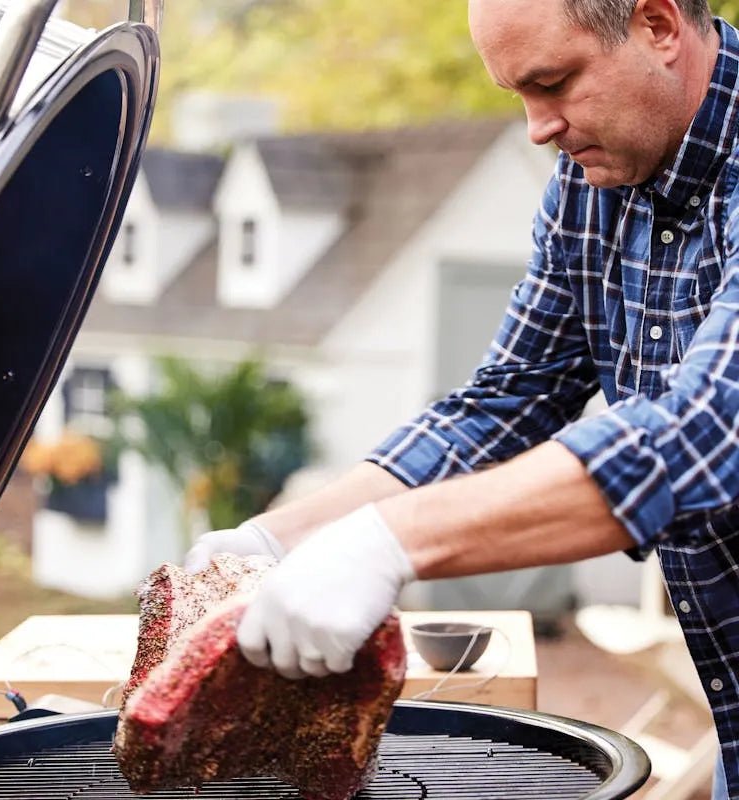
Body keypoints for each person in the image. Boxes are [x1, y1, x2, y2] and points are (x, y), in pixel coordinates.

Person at [185, 0, 739, 796]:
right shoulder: (594, 186)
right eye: (519, 93)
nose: (537, 128)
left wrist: (389, 542)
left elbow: (703, 434)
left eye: (553, 82)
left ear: (656, 26)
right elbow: (505, 404)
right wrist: (279, 538)